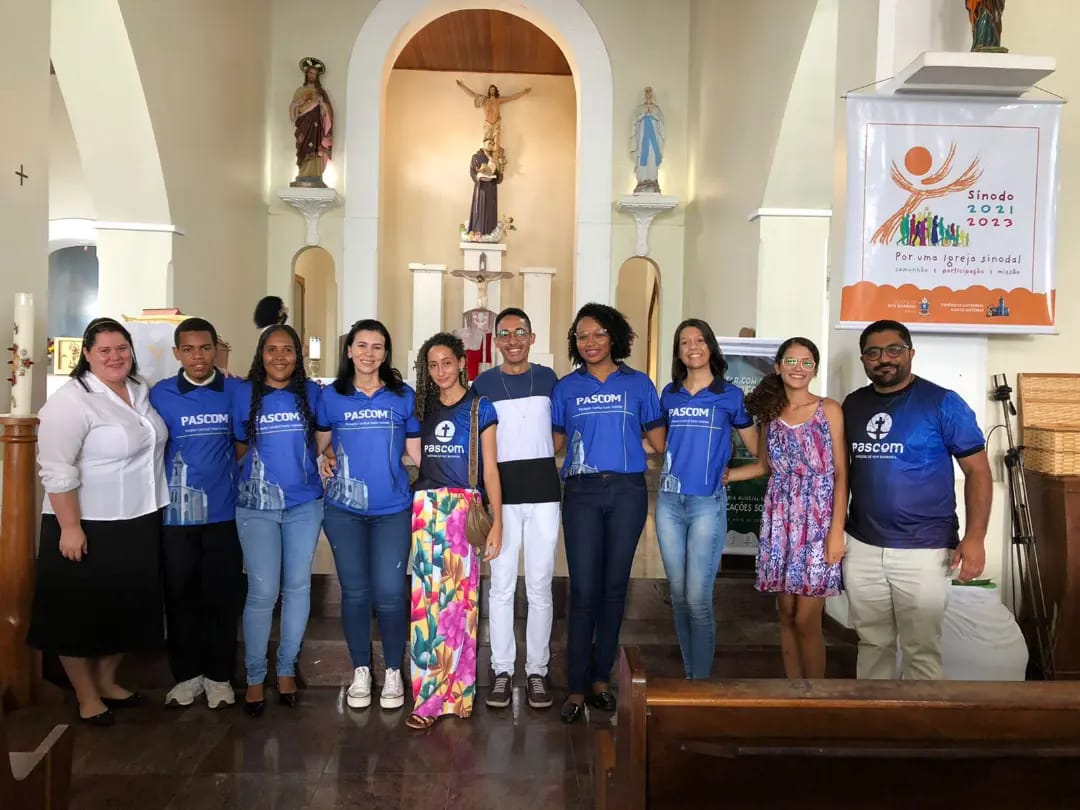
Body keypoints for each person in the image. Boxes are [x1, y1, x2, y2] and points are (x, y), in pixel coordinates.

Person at [28, 318, 168, 725]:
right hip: (87, 522)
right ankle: (86, 696)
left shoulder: (140, 389)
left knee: (129, 608)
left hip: (139, 518)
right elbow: (56, 469)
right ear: (86, 354)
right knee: (76, 614)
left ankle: (106, 681)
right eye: (104, 350)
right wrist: (71, 527)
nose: (114, 356)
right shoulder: (71, 401)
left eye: (121, 348)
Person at [842, 320, 991, 680]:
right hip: (862, 545)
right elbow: (840, 472)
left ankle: (918, 719)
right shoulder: (853, 404)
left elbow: (978, 472)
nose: (884, 359)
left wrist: (975, 538)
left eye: (894, 349)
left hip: (925, 548)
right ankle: (874, 716)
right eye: (873, 352)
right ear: (863, 360)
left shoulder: (943, 403)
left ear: (911, 353)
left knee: (921, 650)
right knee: (871, 643)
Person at [552, 303, 665, 723]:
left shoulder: (638, 384)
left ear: (614, 337)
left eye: (599, 333)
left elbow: (660, 441)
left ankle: (601, 678)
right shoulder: (566, 388)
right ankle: (576, 684)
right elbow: (554, 443)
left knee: (615, 587)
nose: (591, 342)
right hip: (581, 492)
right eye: (582, 336)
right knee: (583, 589)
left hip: (627, 491)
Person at [316, 319, 420, 712]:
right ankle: (361, 669)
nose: (368, 353)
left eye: (377, 346)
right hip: (343, 511)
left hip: (392, 509)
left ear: (386, 353)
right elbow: (319, 443)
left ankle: (393, 671)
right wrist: (324, 456)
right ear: (349, 350)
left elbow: (416, 452)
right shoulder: (331, 397)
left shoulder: (402, 396)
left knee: (391, 594)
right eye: (361, 345)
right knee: (356, 592)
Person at [731, 337, 847, 679]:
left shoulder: (829, 409)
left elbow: (842, 473)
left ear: (815, 369)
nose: (799, 368)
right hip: (780, 520)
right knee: (785, 615)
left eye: (807, 362)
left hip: (819, 522)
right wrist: (725, 476)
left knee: (806, 618)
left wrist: (836, 531)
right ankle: (792, 693)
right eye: (791, 361)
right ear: (778, 367)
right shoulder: (770, 415)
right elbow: (764, 465)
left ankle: (815, 698)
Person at [407, 332, 503, 729]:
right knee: (426, 606)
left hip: (463, 510)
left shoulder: (480, 408)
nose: (440, 371)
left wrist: (497, 522)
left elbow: (491, 469)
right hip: (426, 509)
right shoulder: (423, 408)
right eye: (432, 365)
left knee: (459, 607)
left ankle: (456, 696)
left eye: (447, 362)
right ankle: (428, 697)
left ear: (462, 363)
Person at [150, 318, 243, 709]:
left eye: (205, 348)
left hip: (224, 514)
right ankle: (187, 676)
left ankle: (219, 677)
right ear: (177, 353)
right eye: (188, 350)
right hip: (176, 518)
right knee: (181, 597)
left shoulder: (235, 390)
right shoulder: (160, 394)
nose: (198, 357)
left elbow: (243, 443)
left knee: (222, 597)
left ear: (216, 350)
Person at [656, 319, 758, 679]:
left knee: (698, 600)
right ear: (678, 351)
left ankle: (700, 685)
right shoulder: (669, 394)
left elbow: (762, 457)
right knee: (679, 596)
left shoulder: (730, 395)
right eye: (684, 342)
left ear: (711, 347)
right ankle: (691, 676)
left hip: (706, 505)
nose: (692, 347)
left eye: (699, 340)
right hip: (668, 504)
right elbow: (658, 443)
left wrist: (731, 475)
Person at [232, 324, 325, 715]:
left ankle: (286, 669)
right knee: (262, 591)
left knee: (298, 587)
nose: (280, 357)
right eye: (272, 349)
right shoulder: (241, 393)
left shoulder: (313, 394)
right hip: (256, 508)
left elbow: (324, 438)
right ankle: (255, 676)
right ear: (261, 354)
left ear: (298, 355)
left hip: (304, 505)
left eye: (287, 349)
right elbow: (238, 448)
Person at [472, 308, 561, 709]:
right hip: (501, 497)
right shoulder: (483, 384)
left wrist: (536, 457)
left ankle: (537, 670)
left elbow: (558, 433)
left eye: (520, 332)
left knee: (540, 584)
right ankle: (502, 670)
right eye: (505, 334)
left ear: (532, 337)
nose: (513, 340)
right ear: (496, 340)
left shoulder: (549, 379)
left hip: (543, 493)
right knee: (502, 585)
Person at [289, 57, 333, 186]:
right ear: (306, 74)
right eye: (310, 73)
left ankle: (315, 175)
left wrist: (321, 104)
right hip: (304, 125)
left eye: (314, 73)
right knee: (303, 147)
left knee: (316, 147)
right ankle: (303, 173)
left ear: (317, 76)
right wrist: (299, 103)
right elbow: (293, 107)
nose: (312, 75)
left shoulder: (321, 93)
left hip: (316, 126)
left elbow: (327, 112)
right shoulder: (300, 91)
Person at [455, 80, 531, 152]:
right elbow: (472, 94)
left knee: (496, 145)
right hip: (487, 125)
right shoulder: (484, 100)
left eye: (493, 89)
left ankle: (496, 160)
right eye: (490, 89)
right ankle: (489, 160)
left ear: (495, 91)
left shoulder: (498, 100)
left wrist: (524, 92)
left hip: (496, 124)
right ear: (489, 91)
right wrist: (462, 86)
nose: (492, 91)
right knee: (487, 146)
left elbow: (512, 97)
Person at [631, 86, 664, 193]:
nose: (648, 93)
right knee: (642, 156)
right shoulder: (640, 108)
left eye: (650, 91)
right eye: (646, 91)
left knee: (652, 156)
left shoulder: (656, 109)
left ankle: (652, 180)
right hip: (643, 138)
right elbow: (635, 122)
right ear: (644, 93)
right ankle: (642, 180)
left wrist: (652, 113)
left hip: (653, 138)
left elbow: (660, 122)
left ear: (652, 93)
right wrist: (644, 114)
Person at [467, 138, 502, 237]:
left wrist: (498, 170)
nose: (491, 145)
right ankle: (478, 231)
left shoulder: (494, 158)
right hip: (481, 187)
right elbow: (472, 171)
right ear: (484, 143)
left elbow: (498, 175)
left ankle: (490, 232)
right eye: (489, 143)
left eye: (492, 144)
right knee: (480, 207)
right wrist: (478, 176)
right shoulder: (476, 157)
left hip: (491, 187)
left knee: (490, 208)